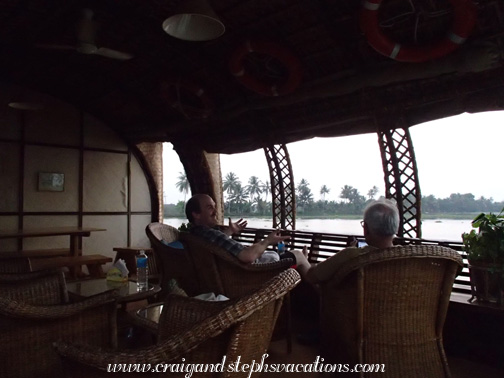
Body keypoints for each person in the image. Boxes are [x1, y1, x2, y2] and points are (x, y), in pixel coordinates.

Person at [295, 198, 399, 283]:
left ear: (366, 229)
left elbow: (312, 276)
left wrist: (305, 261)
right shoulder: (410, 258)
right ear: (396, 228)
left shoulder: (352, 255)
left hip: (344, 307)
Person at [185, 194, 307, 264]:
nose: (215, 211)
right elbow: (247, 256)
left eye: (214, 207)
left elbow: (218, 245)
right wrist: (268, 241)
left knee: (297, 260)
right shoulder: (209, 234)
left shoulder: (195, 235)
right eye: (209, 208)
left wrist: (230, 232)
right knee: (298, 256)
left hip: (236, 273)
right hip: (254, 274)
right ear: (196, 214)